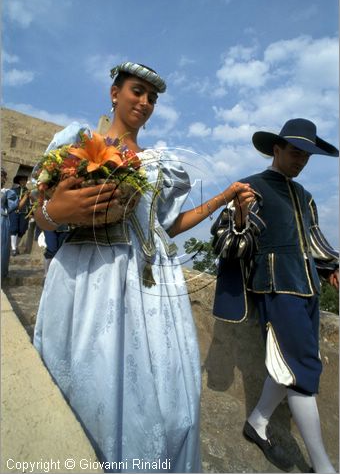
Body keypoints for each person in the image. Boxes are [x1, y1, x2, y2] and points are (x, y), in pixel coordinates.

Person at [32, 62, 253, 472]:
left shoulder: (159, 162)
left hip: (152, 286)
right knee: (91, 385)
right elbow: (41, 214)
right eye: (137, 91)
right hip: (90, 278)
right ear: (114, 93)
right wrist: (56, 209)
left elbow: (169, 225)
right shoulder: (79, 142)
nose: (145, 102)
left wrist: (224, 196)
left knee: (174, 409)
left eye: (152, 98)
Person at [211, 118, 339, 473]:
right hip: (276, 287)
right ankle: (323, 465)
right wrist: (239, 219)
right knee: (302, 369)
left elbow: (314, 242)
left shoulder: (306, 197)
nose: (301, 160)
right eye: (295, 152)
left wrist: (332, 268)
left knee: (288, 365)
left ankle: (256, 422)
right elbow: (224, 242)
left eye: (307, 155)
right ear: (277, 149)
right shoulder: (250, 187)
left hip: (308, 287)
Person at [1, 168, 19, 279]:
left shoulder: (6, 192)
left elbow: (13, 204)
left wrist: (4, 211)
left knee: (1, 245)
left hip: (1, 220)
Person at [9, 174, 31, 256]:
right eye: (21, 180)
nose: (23, 182)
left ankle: (16, 246)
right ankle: (13, 249)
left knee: (22, 230)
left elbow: (31, 203)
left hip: (24, 213)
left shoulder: (29, 191)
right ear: (19, 182)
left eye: (24, 180)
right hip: (14, 212)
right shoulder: (13, 190)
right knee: (14, 229)